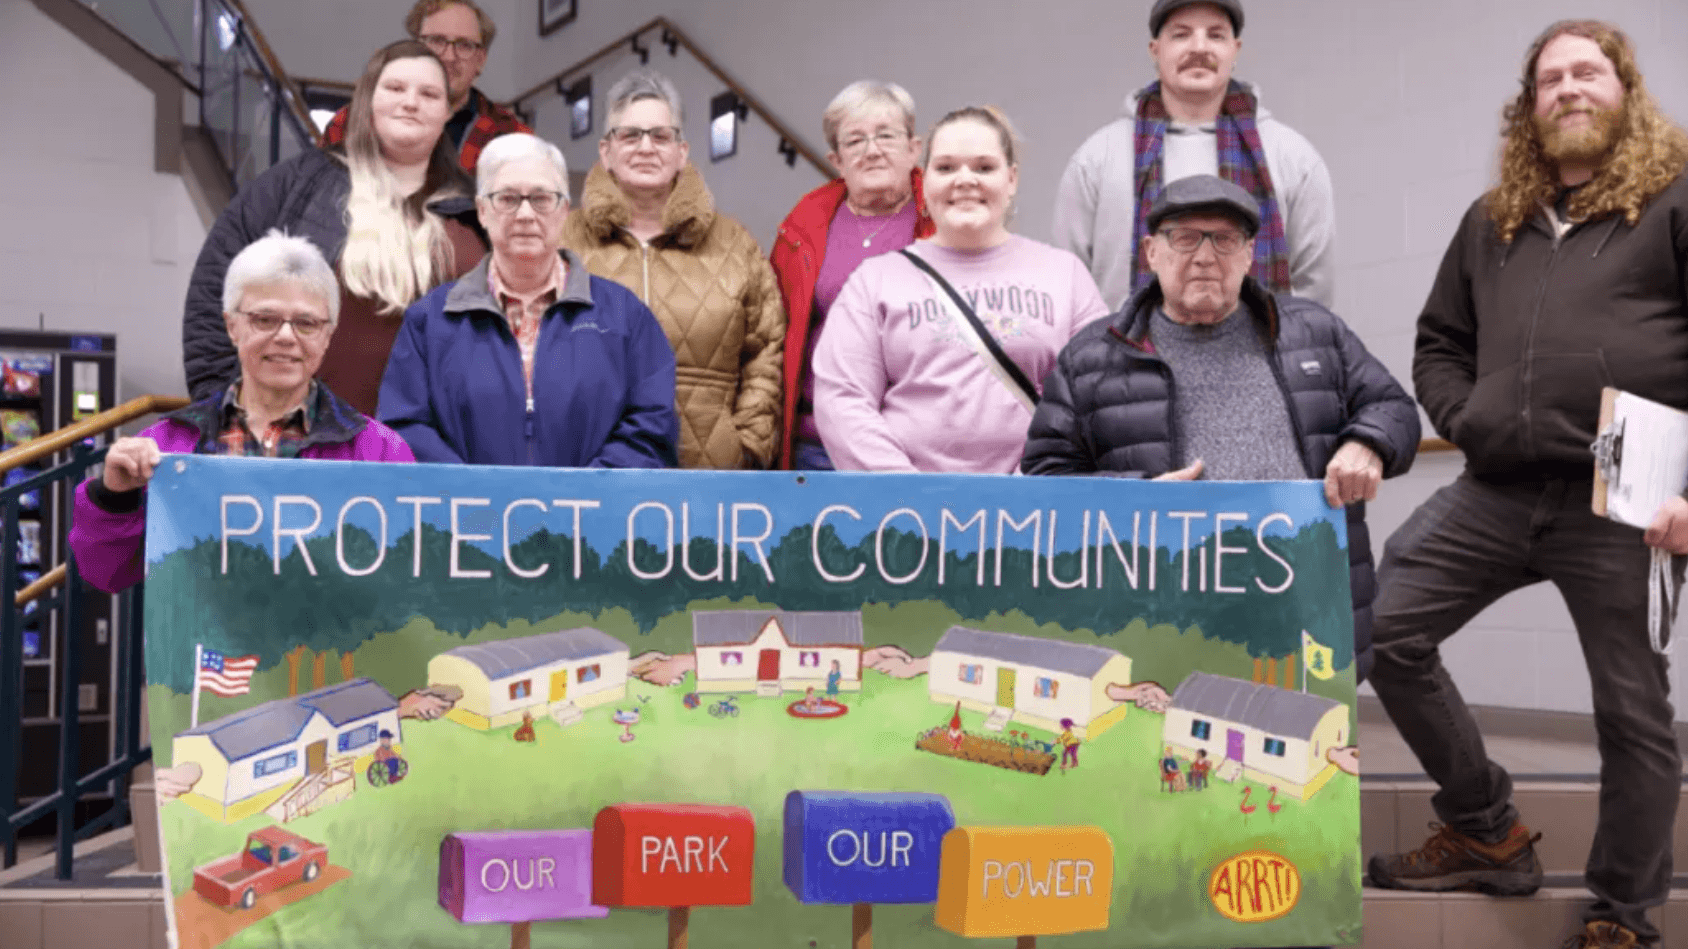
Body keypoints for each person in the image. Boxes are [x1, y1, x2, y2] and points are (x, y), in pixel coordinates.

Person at [1365, 21, 1688, 949]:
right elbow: (1438, 341)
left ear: (1624, 87)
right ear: (1529, 104)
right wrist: (1466, 414)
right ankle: (1485, 826)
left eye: (1588, 71)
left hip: (1628, 492)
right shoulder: (1491, 219)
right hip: (1497, 485)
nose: (1568, 88)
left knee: (1630, 709)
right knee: (1383, 626)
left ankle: (1622, 913)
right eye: (1550, 78)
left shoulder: (1671, 203)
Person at [1023, 175, 1420, 682]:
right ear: (1151, 252)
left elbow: (1394, 408)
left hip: (1304, 610)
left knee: (1306, 744)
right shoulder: (1091, 357)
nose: (1206, 257)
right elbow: (1045, 480)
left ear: (1250, 254)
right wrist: (1136, 499)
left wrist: (1369, 443)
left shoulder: (1314, 331)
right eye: (1185, 238)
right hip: (1161, 616)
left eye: (1225, 240)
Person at [74, 233, 414, 594]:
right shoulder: (169, 446)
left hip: (330, 649)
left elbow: (409, 576)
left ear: (328, 335)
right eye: (265, 319)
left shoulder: (379, 452)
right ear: (231, 326)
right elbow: (104, 573)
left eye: (307, 323)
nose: (286, 336)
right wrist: (114, 496)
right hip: (203, 648)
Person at [184, 40, 485, 416]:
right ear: (367, 100)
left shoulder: (478, 211)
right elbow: (215, 294)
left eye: (429, 93)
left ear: (447, 111)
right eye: (394, 88)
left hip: (433, 452)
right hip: (308, 446)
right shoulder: (297, 186)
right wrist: (226, 414)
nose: (411, 102)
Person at [814, 106, 1108, 474]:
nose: (965, 180)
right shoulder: (874, 280)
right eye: (946, 167)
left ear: (1012, 179)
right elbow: (842, 399)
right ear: (925, 180)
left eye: (984, 167)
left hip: (1033, 511)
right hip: (909, 514)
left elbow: (1096, 395)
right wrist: (907, 495)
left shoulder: (1066, 275)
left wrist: (1032, 485)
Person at [378, 133, 678, 468]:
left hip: (591, 516)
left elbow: (653, 427)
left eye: (541, 198)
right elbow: (404, 428)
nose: (524, 214)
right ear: (482, 211)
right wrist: (473, 497)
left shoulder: (625, 317)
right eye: (507, 198)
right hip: (467, 517)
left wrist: (583, 497)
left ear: (564, 210)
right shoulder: (430, 321)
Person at [561, 69, 784, 470]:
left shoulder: (735, 244)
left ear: (681, 151)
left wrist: (747, 446)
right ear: (605, 151)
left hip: (711, 474)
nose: (646, 147)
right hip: (587, 470)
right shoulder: (562, 241)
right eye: (629, 135)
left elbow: (765, 352)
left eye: (660, 136)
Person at [1052, 0, 1335, 311]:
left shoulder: (1294, 158)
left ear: (1235, 50)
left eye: (1215, 35)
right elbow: (1069, 293)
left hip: (1265, 358)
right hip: (1125, 358)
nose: (1200, 47)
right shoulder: (1095, 161)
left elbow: (1315, 304)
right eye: (1181, 34)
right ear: (1155, 50)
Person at [769, 81, 935, 470]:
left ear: (914, 148)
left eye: (886, 136)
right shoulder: (802, 228)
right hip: (817, 445)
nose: (872, 150)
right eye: (855, 141)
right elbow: (775, 333)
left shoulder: (942, 220)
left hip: (913, 445)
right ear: (837, 159)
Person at [319, 0, 529, 172]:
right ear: (415, 48)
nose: (449, 56)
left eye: (464, 45)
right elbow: (312, 206)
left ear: (480, 60)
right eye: (437, 41)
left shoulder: (513, 138)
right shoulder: (351, 124)